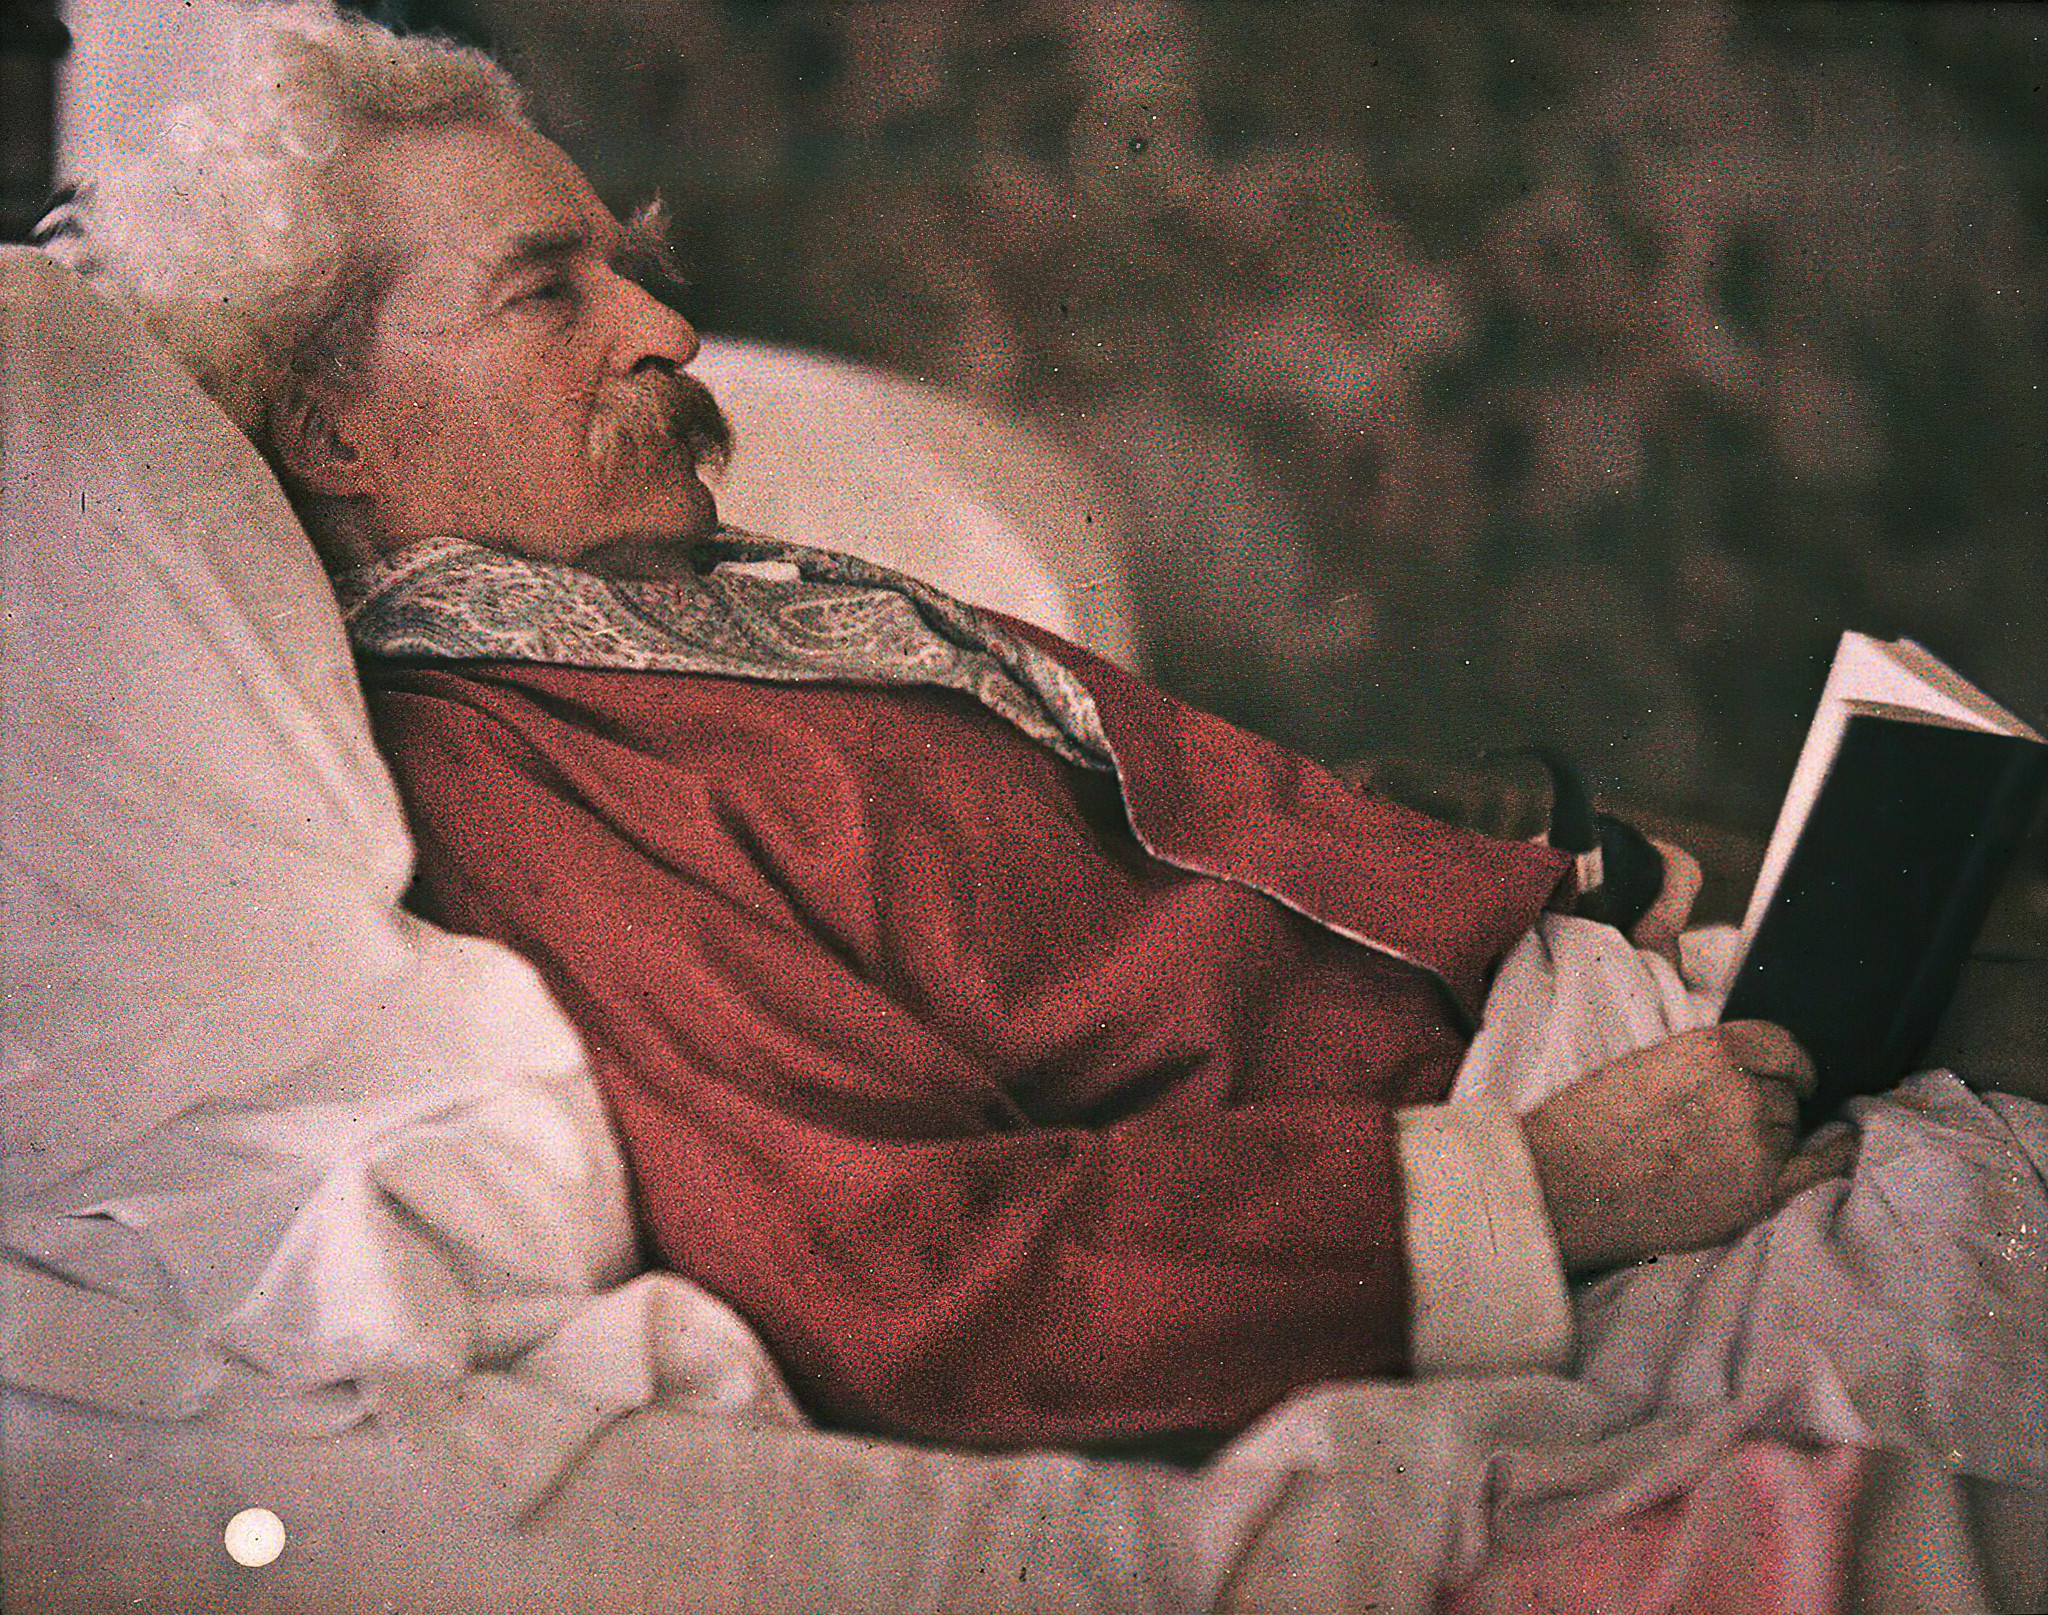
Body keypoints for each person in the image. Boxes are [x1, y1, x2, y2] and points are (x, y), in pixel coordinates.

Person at [43, 2, 1849, 1455]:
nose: (670, 328)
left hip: (1666, 997)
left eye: (635, 267)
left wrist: (1566, 871)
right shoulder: (502, 777)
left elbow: (1154, 886)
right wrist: (1547, 1192)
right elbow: (893, 1274)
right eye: (550, 290)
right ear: (333, 434)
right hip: (1602, 1196)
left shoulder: (693, 610)